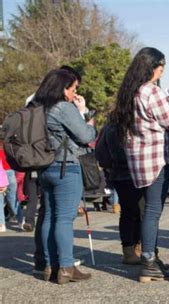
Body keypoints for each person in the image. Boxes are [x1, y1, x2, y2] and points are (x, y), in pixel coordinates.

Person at [115, 47, 169, 283]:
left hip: (137, 161)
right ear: (153, 67)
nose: (162, 72)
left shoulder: (129, 93)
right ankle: (149, 261)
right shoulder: (152, 91)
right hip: (156, 158)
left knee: (147, 211)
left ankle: (150, 258)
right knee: (152, 212)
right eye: (161, 67)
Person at [36, 69, 96, 283]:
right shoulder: (63, 107)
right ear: (63, 89)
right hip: (65, 167)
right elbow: (86, 136)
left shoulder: (37, 106)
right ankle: (66, 267)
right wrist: (85, 114)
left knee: (49, 216)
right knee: (64, 218)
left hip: (44, 167)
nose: (74, 93)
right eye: (73, 89)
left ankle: (50, 265)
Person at [95, 122, 143, 265]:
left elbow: (99, 152)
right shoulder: (135, 124)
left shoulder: (109, 126)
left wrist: (110, 167)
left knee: (127, 214)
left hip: (117, 174)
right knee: (142, 212)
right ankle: (138, 247)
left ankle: (129, 251)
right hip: (136, 172)